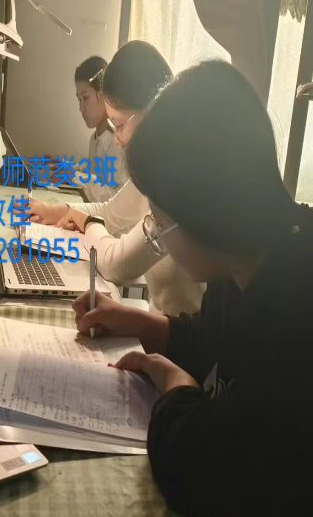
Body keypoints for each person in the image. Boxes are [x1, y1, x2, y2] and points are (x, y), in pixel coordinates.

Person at [72, 61, 313, 517]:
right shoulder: (255, 261)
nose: (162, 238)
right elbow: (215, 339)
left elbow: (195, 467)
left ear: (203, 216)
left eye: (163, 224)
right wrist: (137, 323)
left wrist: (174, 383)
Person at [29, 41, 205, 316]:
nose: (119, 139)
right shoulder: (153, 173)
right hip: (159, 329)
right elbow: (110, 212)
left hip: (176, 337)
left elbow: (115, 265)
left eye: (119, 125)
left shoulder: (177, 185)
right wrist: (57, 212)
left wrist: (86, 223)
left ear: (152, 112)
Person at [69, 56, 127, 202]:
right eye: (79, 99)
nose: (81, 108)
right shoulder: (94, 140)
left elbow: (117, 200)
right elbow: (94, 173)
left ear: (102, 95)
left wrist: (73, 176)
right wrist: (63, 167)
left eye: (85, 98)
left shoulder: (121, 142)